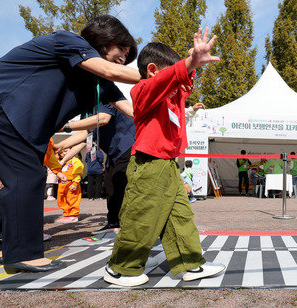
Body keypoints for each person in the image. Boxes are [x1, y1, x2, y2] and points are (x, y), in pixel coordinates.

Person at [0, 15, 140, 273]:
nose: (124, 58)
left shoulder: (98, 81)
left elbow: (131, 110)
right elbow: (111, 70)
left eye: (128, 55)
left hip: (20, 121)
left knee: (22, 177)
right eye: (122, 50)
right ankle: (22, 254)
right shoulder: (68, 40)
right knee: (26, 175)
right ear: (104, 39)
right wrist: (167, 74)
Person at [105, 30, 226, 287]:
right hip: (148, 163)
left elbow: (181, 86)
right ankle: (121, 268)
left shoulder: (172, 98)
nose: (177, 85)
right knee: (141, 217)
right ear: (152, 70)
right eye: (170, 74)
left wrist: (192, 62)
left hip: (168, 165)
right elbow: (168, 81)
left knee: (180, 216)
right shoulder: (143, 91)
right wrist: (188, 64)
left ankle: (191, 264)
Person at [56, 95, 205, 236]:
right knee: (110, 185)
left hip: (130, 146)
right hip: (114, 152)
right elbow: (84, 135)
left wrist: (65, 126)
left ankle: (140, 225)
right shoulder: (86, 109)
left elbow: (103, 119)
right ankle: (114, 223)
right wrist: (59, 148)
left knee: (123, 184)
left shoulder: (102, 95)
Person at [56, 150, 84, 223]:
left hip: (71, 182)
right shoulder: (62, 162)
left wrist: (75, 183)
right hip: (62, 184)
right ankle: (66, 214)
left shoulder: (75, 161)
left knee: (72, 199)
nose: (63, 153)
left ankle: (73, 215)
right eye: (61, 153)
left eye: (66, 151)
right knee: (61, 199)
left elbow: (78, 172)